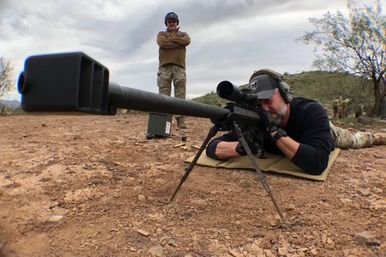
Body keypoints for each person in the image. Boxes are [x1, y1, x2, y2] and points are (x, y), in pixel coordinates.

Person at [206, 69, 386, 175]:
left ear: (285, 95)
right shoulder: (256, 119)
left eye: (268, 101)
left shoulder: (310, 111)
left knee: (353, 140)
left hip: (327, 134)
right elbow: (212, 147)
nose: (264, 108)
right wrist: (240, 148)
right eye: (259, 104)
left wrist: (274, 133)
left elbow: (317, 164)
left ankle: (377, 136)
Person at [157, 12, 191, 129]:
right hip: (164, 68)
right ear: (166, 23)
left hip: (179, 68)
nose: (172, 23)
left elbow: (186, 41)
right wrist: (177, 41)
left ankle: (181, 122)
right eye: (169, 21)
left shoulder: (184, 34)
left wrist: (171, 38)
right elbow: (162, 43)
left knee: (180, 96)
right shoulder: (161, 34)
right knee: (163, 97)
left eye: (174, 21)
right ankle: (163, 124)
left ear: (177, 23)